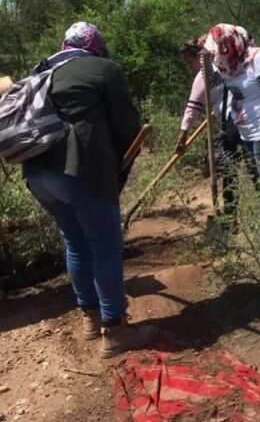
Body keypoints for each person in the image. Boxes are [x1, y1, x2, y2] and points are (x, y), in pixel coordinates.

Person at [22, 22, 159, 359]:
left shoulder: (42, 72)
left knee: (76, 243)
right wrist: (116, 172)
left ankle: (90, 318)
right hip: (80, 171)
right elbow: (127, 126)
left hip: (38, 174)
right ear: (95, 45)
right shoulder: (103, 69)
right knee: (105, 247)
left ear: (65, 45)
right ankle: (115, 331)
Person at [203, 24, 260, 199]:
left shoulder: (259, 59)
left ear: (229, 44)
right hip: (246, 131)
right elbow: (211, 81)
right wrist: (205, 58)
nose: (217, 54)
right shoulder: (231, 65)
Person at [176, 36, 242, 222]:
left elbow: (193, 108)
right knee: (253, 169)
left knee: (229, 170)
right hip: (247, 118)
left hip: (232, 123)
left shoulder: (204, 75)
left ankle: (230, 217)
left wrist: (182, 136)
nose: (190, 66)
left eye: (190, 62)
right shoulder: (226, 65)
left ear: (199, 58)